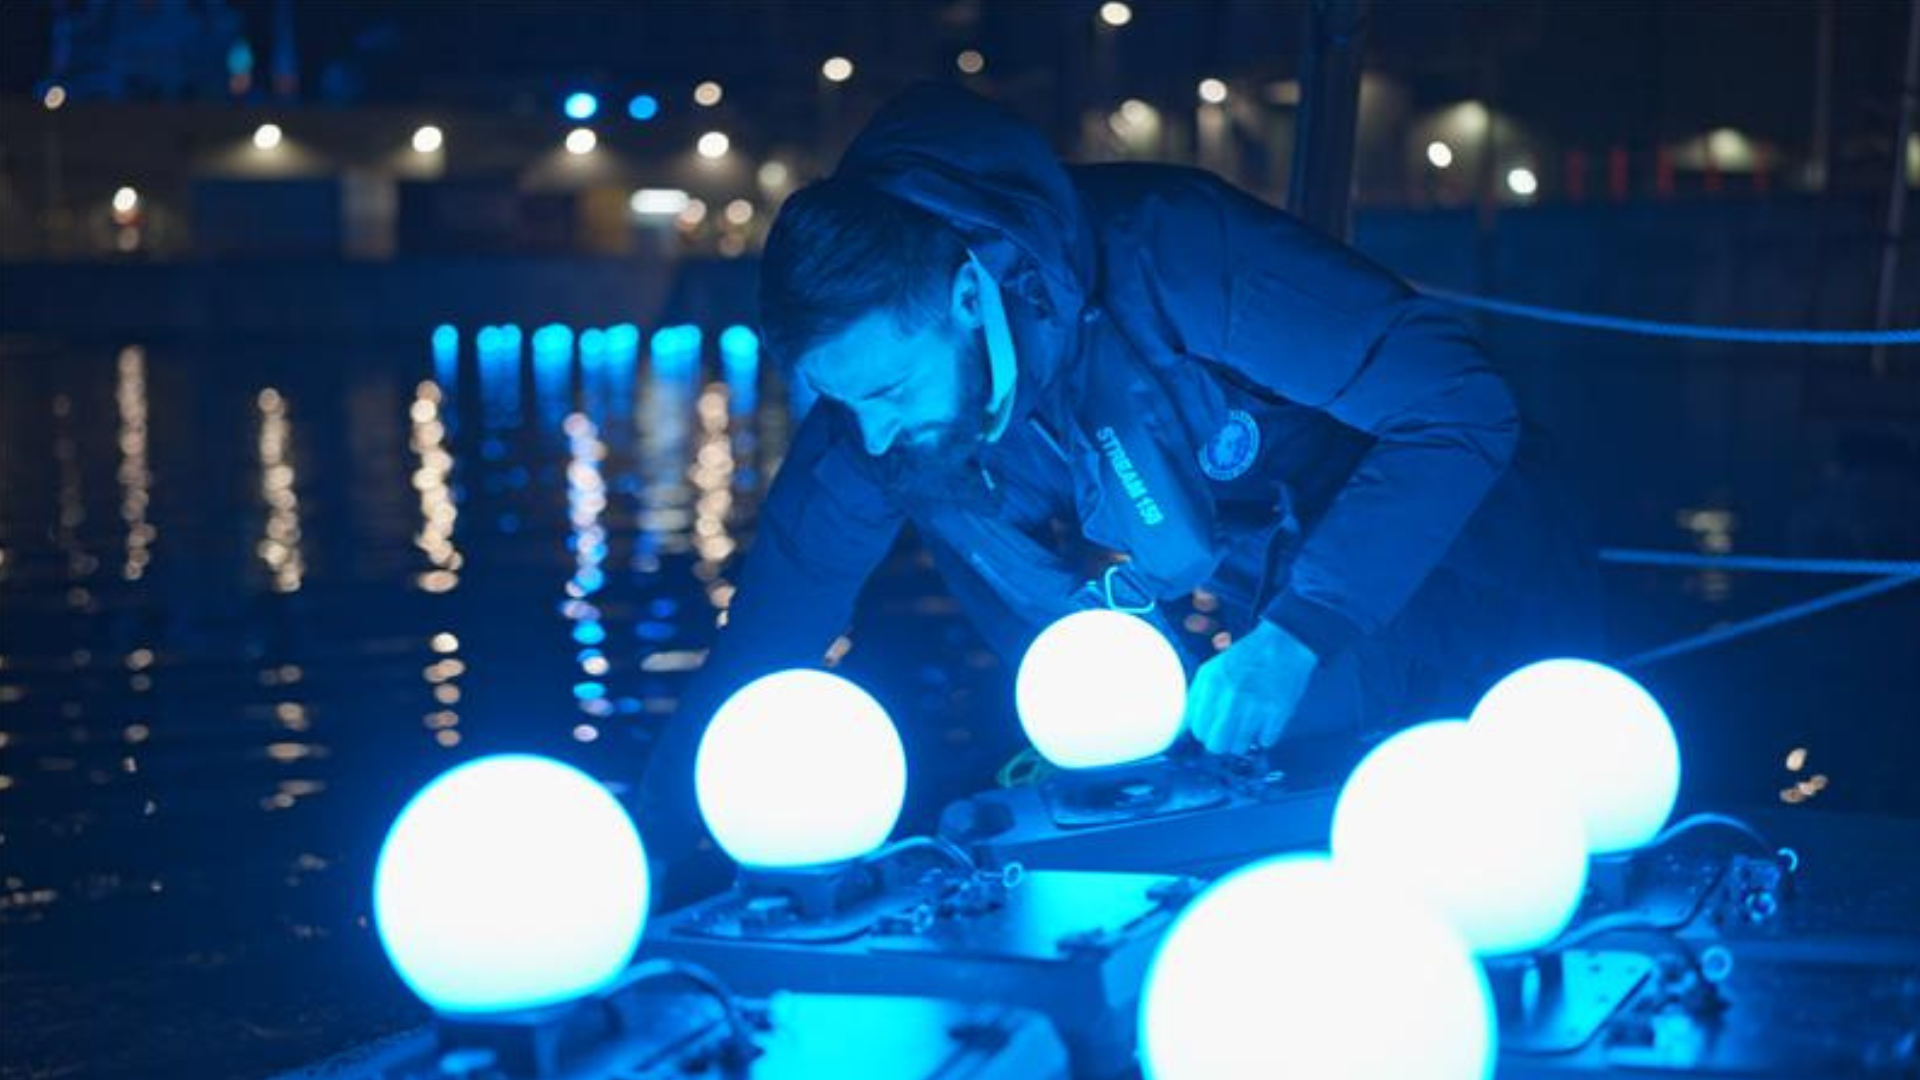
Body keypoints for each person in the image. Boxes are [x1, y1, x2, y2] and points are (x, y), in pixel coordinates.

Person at [640, 84, 1597, 899]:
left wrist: (1298, 634)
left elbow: (1459, 407)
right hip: (1240, 569)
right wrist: (646, 849)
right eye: (845, 402)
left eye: (888, 390)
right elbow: (767, 642)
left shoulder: (1176, 256)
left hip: (1450, 539)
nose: (876, 433)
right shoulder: (876, 425)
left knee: (1412, 808)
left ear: (970, 298)